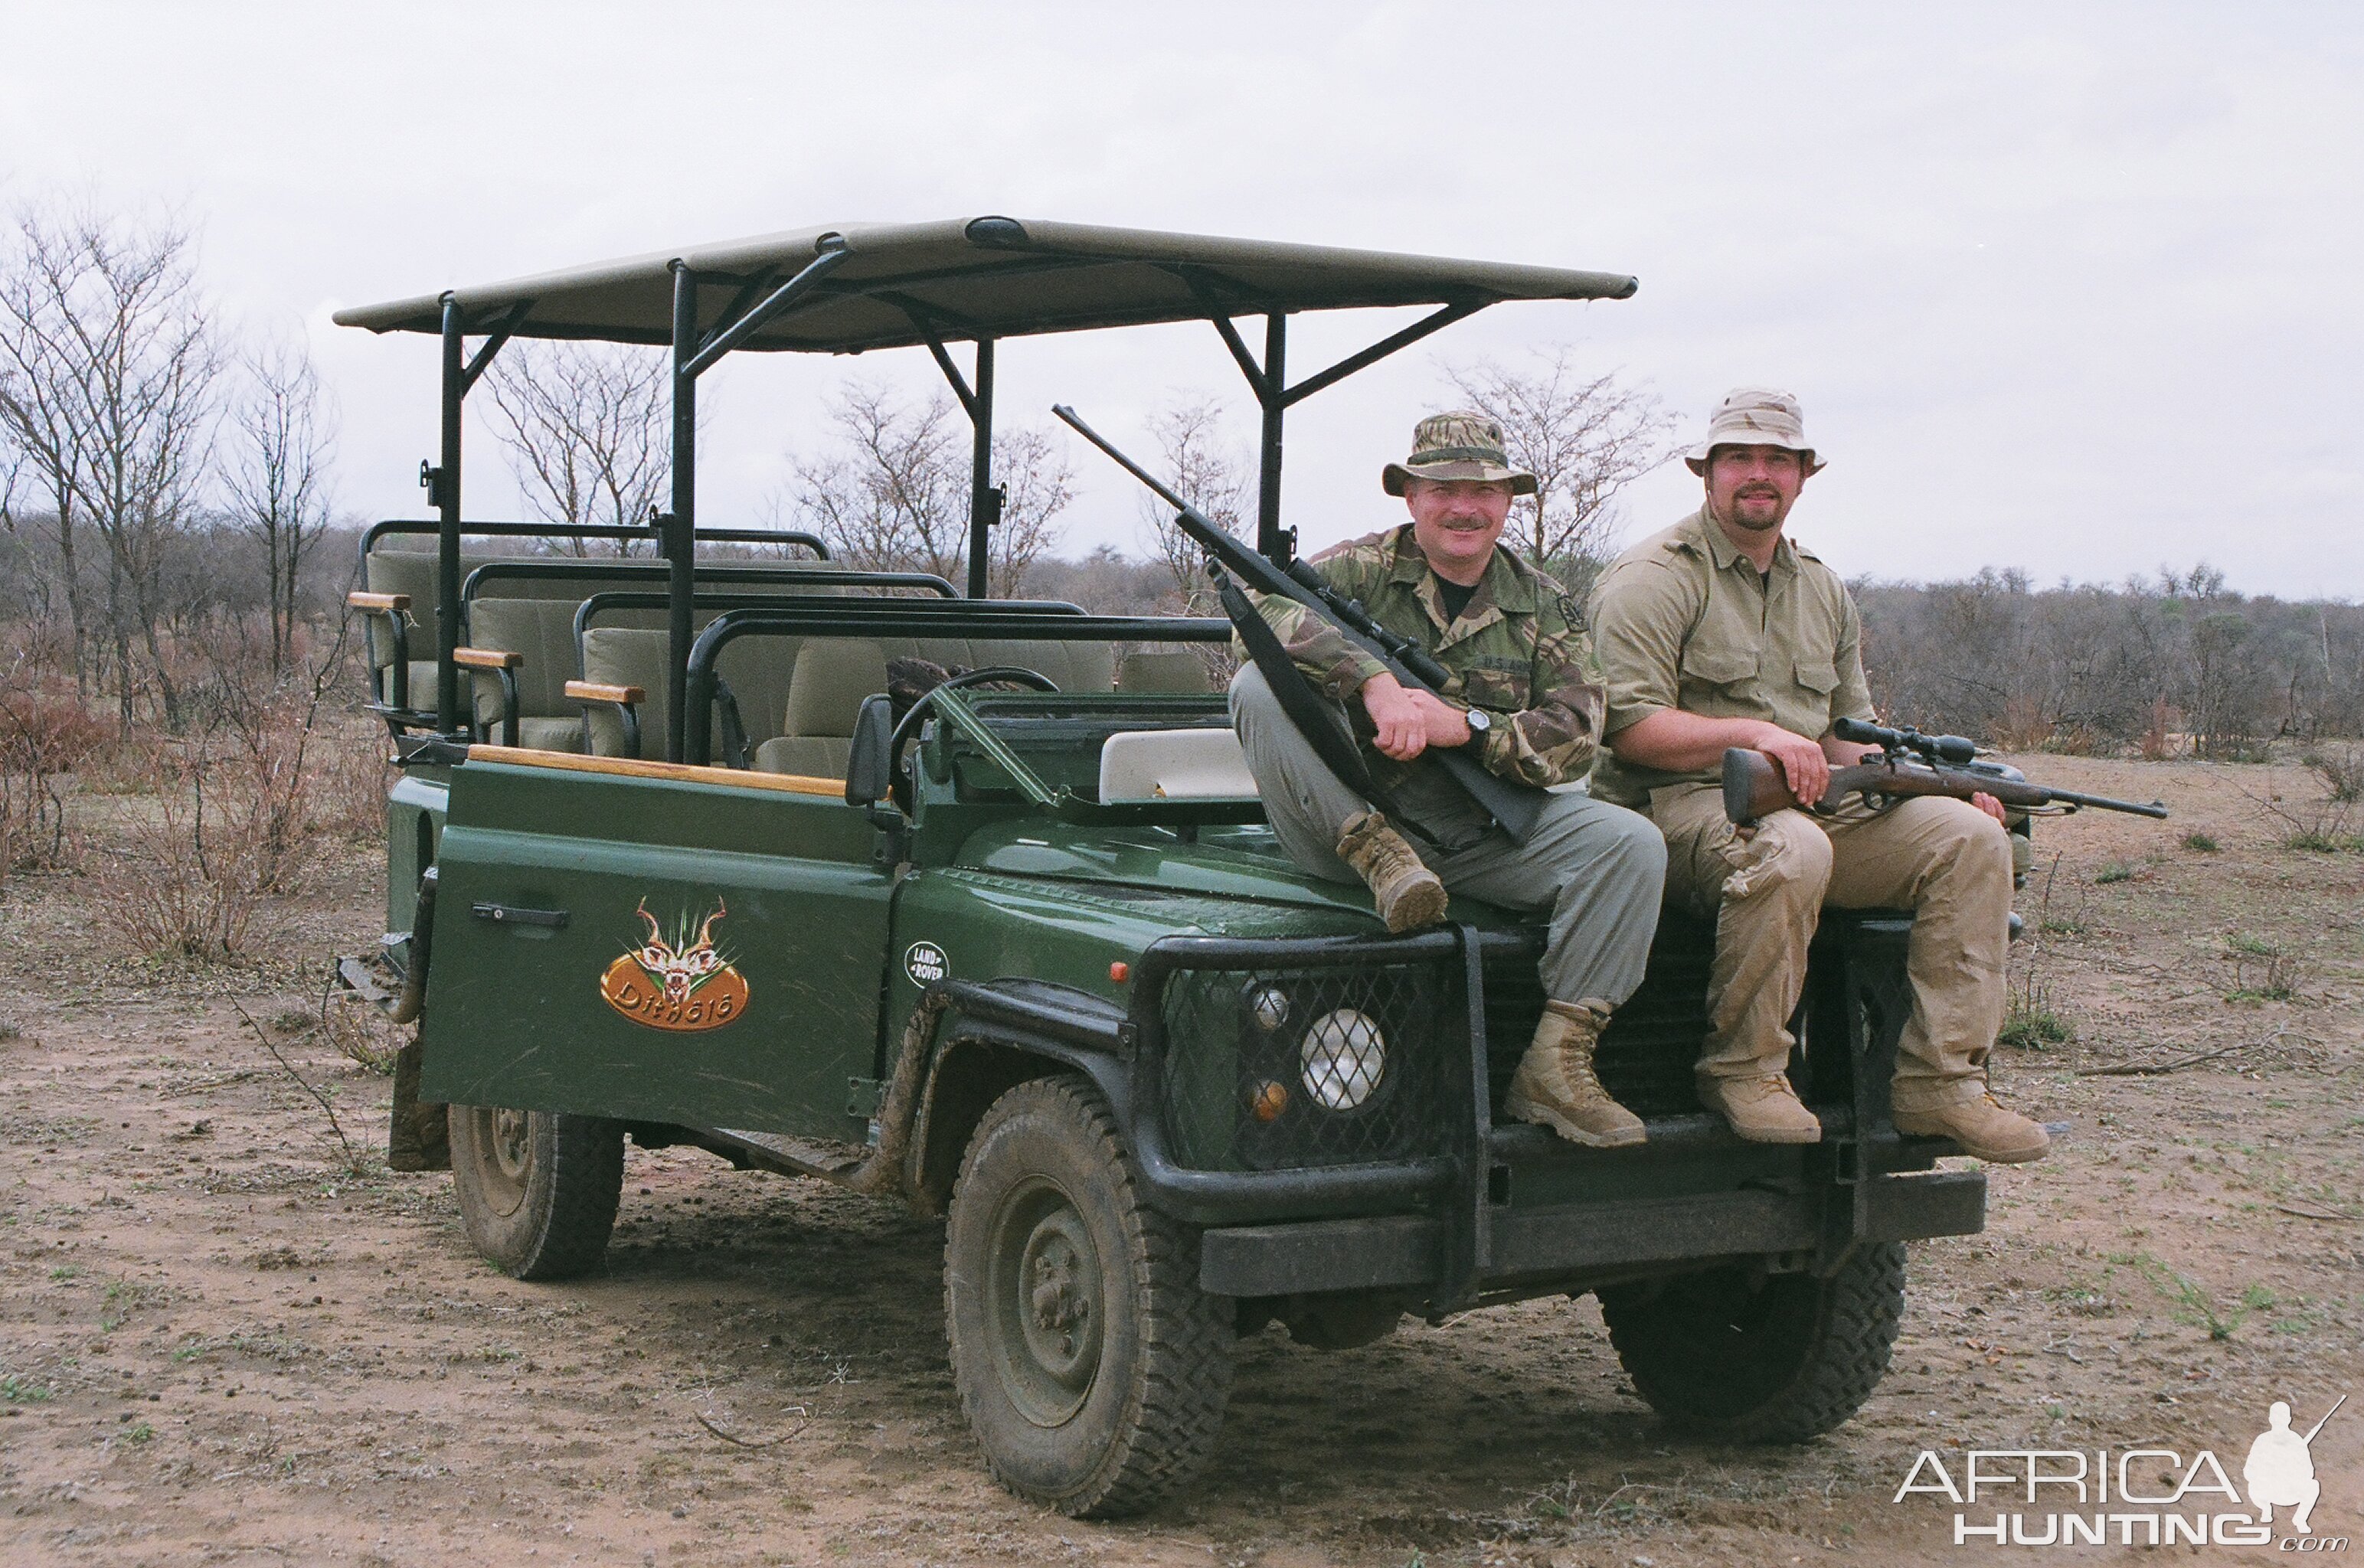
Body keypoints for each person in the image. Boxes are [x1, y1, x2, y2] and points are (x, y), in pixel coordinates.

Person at [1587, 387, 2047, 1163]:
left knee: (1969, 839)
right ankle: (1744, 1070)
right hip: (1670, 809)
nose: (1758, 474)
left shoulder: (1822, 588)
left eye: (1777, 460)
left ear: (1803, 475)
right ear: (1708, 473)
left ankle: (1942, 1082)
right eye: (1740, 457)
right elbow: (1629, 730)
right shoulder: (1652, 578)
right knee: (1793, 847)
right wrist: (1756, 734)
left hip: (1809, 802)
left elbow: (1842, 738)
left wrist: (1934, 786)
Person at [1229, 411, 1668, 1148]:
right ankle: (1378, 853)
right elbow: (1254, 616)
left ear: (1506, 504)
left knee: (1632, 845)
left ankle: (1558, 1065)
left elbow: (1577, 735)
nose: (1464, 506)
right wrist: (1370, 680)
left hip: (1476, 830)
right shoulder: (1353, 572)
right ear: (1410, 497)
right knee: (1257, 684)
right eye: (1443, 488)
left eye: (1484, 490)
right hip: (1346, 833)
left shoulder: (1545, 604)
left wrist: (1466, 728)